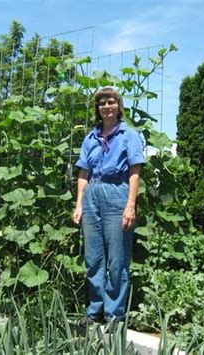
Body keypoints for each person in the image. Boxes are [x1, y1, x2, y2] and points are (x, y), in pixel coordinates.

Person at [73, 87, 144, 324]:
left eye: (111, 102)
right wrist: (79, 204)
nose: (106, 106)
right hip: (92, 193)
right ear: (97, 108)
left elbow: (135, 171)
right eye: (102, 103)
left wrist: (130, 205)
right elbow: (83, 173)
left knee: (117, 259)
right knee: (93, 258)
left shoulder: (129, 135)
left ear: (118, 106)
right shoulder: (90, 138)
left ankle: (114, 315)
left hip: (117, 194)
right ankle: (95, 311)